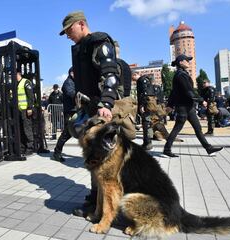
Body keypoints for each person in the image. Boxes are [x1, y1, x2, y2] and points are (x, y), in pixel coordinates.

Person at [60, 11, 123, 215]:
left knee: (105, 160)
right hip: (90, 108)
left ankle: (106, 206)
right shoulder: (82, 48)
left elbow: (110, 75)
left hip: (101, 110)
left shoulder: (99, 42)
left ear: (81, 24)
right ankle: (96, 199)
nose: (68, 35)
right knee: (94, 157)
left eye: (69, 30)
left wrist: (106, 102)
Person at [163, 54, 223, 157]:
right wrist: (201, 100)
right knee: (177, 128)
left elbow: (174, 92)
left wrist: (170, 105)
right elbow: (188, 90)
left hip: (188, 107)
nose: (188, 62)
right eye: (187, 60)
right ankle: (167, 149)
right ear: (181, 62)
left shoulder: (181, 74)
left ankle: (208, 148)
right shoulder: (181, 75)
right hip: (183, 106)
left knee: (197, 128)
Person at [51, 67, 76, 162]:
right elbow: (72, 94)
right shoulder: (68, 83)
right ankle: (56, 153)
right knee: (67, 133)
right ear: (71, 73)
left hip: (75, 111)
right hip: (70, 112)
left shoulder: (74, 82)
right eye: (74, 72)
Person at [134, 71, 155, 150]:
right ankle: (149, 141)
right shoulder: (147, 80)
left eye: (133, 78)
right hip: (150, 103)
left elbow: (144, 93)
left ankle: (147, 142)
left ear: (135, 75)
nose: (133, 80)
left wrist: (142, 105)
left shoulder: (141, 80)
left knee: (146, 123)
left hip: (145, 104)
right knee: (149, 123)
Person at [16, 72, 35, 156]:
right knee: (21, 130)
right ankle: (23, 147)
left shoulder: (25, 82)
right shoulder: (16, 84)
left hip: (25, 109)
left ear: (18, 74)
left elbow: (30, 96)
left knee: (27, 129)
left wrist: (30, 108)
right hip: (19, 110)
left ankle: (30, 147)